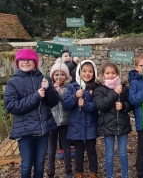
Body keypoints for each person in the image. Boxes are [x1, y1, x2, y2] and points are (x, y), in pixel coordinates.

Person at [4, 48, 59, 178]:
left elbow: (53, 102)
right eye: (22, 60)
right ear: (17, 62)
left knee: (40, 163)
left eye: (29, 59)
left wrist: (49, 88)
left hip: (42, 129)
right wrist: (36, 96)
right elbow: (12, 106)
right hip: (24, 131)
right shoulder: (12, 82)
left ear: (35, 62)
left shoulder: (44, 78)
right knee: (27, 164)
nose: (25, 62)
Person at [95, 62, 133, 178]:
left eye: (113, 73)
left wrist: (123, 106)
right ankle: (110, 176)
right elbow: (101, 105)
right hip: (107, 126)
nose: (110, 75)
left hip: (122, 124)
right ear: (103, 74)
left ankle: (125, 175)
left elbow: (130, 104)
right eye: (108, 73)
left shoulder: (124, 88)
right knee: (109, 154)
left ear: (117, 74)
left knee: (123, 153)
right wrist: (115, 93)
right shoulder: (100, 89)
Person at [63, 60, 99, 178]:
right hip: (76, 125)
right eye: (84, 71)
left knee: (91, 151)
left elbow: (97, 106)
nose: (87, 74)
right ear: (79, 72)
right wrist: (75, 96)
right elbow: (66, 105)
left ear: (94, 73)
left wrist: (85, 104)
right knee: (78, 152)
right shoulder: (72, 87)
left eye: (90, 71)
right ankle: (79, 171)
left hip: (90, 124)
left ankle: (93, 171)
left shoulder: (96, 88)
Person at [47, 61, 73, 178]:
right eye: (56, 74)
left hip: (65, 121)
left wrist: (60, 92)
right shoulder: (48, 87)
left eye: (62, 74)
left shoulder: (69, 88)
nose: (59, 77)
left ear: (66, 76)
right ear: (52, 76)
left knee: (66, 146)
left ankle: (68, 169)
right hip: (52, 121)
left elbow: (68, 102)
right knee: (51, 147)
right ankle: (50, 169)